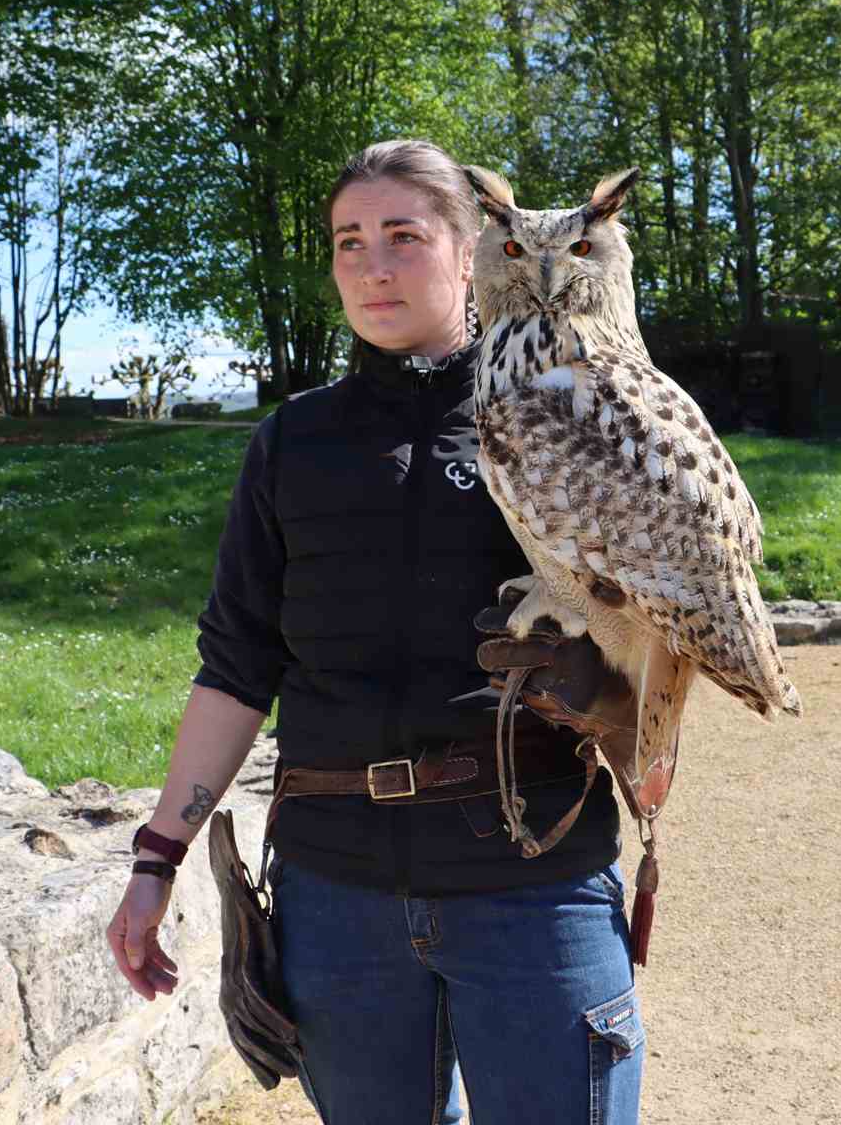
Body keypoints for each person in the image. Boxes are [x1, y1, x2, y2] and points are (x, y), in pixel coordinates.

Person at [105, 139, 643, 1123]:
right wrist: (156, 858)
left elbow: (667, 644)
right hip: (334, 893)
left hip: (530, 882)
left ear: (471, 249)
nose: (373, 265)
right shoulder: (293, 442)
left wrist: (603, 674)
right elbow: (235, 668)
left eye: (403, 236)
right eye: (349, 242)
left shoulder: (564, 413)